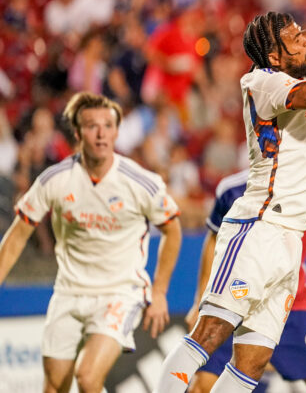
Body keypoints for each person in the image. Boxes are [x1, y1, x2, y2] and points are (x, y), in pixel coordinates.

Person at [154, 11, 306, 393]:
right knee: (211, 332)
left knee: (254, 359)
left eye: (302, 34)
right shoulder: (262, 82)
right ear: (274, 57)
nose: (305, 42)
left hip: (289, 238)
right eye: (294, 39)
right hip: (259, 227)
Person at [0, 92, 182, 393]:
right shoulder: (54, 180)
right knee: (54, 387)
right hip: (69, 293)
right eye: (91, 126)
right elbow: (17, 236)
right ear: (77, 132)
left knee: (87, 378)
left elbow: (172, 229)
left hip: (119, 293)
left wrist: (160, 291)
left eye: (107, 126)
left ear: (116, 131)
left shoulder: (139, 182)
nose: (100, 133)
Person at [184, 169, 306, 393]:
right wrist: (200, 299)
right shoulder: (232, 189)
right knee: (202, 387)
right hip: (236, 303)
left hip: (291, 306)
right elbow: (214, 239)